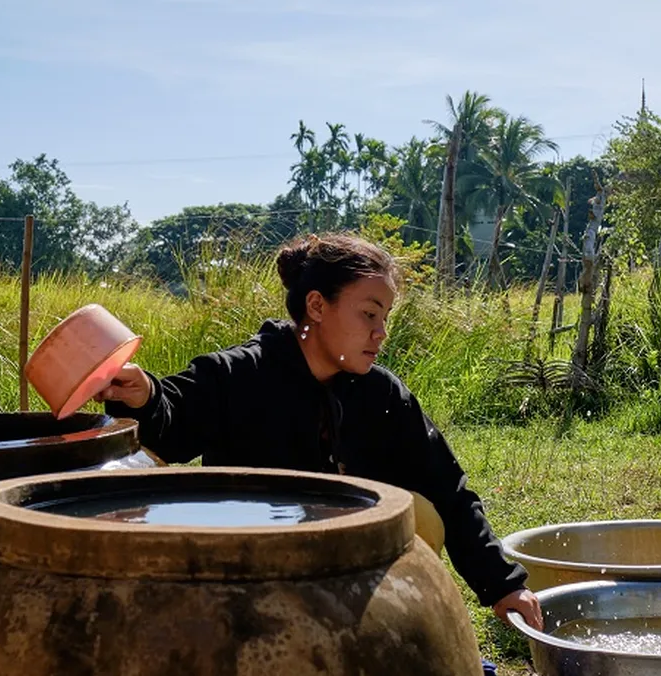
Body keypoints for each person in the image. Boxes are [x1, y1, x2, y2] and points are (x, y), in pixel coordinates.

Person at [95, 232, 543, 630]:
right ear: (316, 305)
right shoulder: (241, 374)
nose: (380, 332)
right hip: (252, 575)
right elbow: (171, 421)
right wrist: (144, 395)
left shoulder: (381, 395)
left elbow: (447, 486)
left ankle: (376, 626)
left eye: (384, 317)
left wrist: (503, 585)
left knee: (422, 513)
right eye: (369, 314)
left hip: (344, 572)